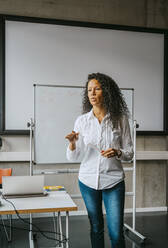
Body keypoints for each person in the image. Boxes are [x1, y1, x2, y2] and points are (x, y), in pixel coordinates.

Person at [65, 72, 133, 248]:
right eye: (89, 90)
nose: (92, 93)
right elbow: (74, 157)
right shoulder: (82, 121)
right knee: (96, 228)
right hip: (87, 181)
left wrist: (117, 152)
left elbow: (130, 153)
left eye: (97, 89)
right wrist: (72, 144)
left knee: (116, 233)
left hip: (114, 181)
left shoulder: (121, 119)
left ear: (107, 92)